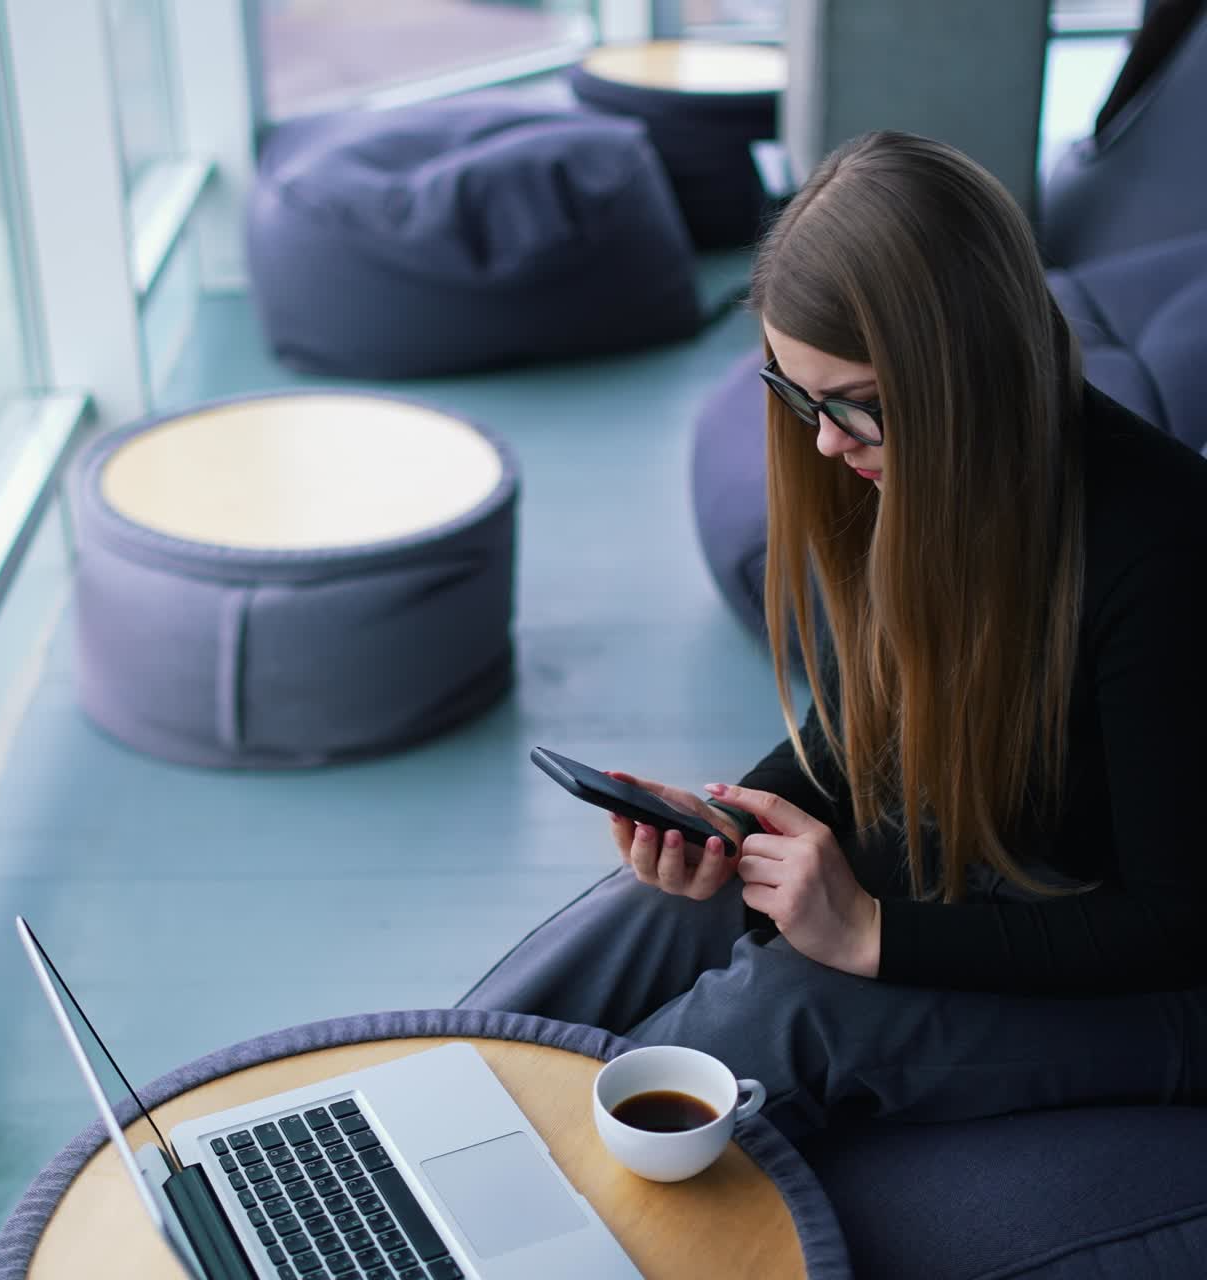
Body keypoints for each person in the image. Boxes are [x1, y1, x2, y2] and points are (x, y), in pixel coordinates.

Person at [461, 130, 1207, 1139]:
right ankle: (427, 1099)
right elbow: (867, 718)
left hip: (1160, 981)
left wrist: (870, 933)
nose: (822, 440)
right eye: (796, 395)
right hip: (1008, 869)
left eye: (858, 409)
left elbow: (1172, 919)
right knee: (655, 906)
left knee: (792, 1010)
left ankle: (523, 1192)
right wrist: (739, 816)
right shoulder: (921, 472)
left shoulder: (1163, 552)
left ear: (968, 380)